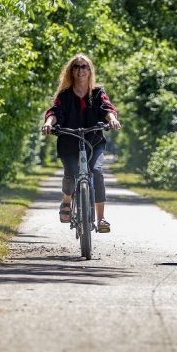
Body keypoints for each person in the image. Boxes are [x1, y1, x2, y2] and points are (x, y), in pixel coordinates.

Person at [42, 54, 121, 232]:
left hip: (94, 140)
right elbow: (54, 111)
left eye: (84, 66)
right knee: (71, 173)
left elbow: (107, 109)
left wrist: (113, 119)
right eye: (76, 66)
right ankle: (67, 201)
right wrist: (48, 124)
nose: (80, 70)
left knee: (97, 171)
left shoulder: (98, 92)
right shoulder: (65, 95)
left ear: (90, 70)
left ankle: (101, 219)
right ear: (71, 71)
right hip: (69, 141)